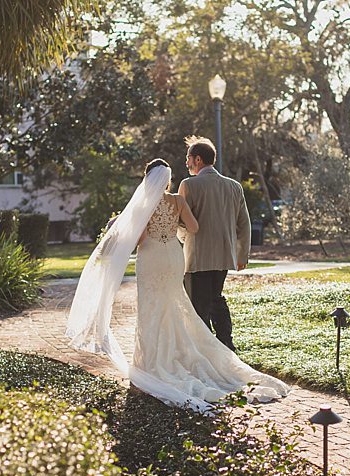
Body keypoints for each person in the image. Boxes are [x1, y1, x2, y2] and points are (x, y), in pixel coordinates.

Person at [66, 159, 290, 412]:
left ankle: (151, 362)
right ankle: (182, 354)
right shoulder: (177, 201)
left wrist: (122, 229)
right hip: (173, 256)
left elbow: (138, 239)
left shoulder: (143, 206)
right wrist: (172, 226)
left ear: (146, 179)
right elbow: (193, 227)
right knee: (175, 303)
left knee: (151, 307)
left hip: (151, 258)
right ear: (168, 180)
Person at [178, 136, 251, 351]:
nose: (187, 163)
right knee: (216, 299)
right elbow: (244, 224)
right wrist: (241, 255)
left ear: (198, 159)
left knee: (198, 304)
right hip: (223, 256)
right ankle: (226, 343)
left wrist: (180, 238)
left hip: (197, 255)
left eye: (188, 158)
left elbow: (183, 222)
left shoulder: (189, 185)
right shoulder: (234, 186)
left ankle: (206, 349)